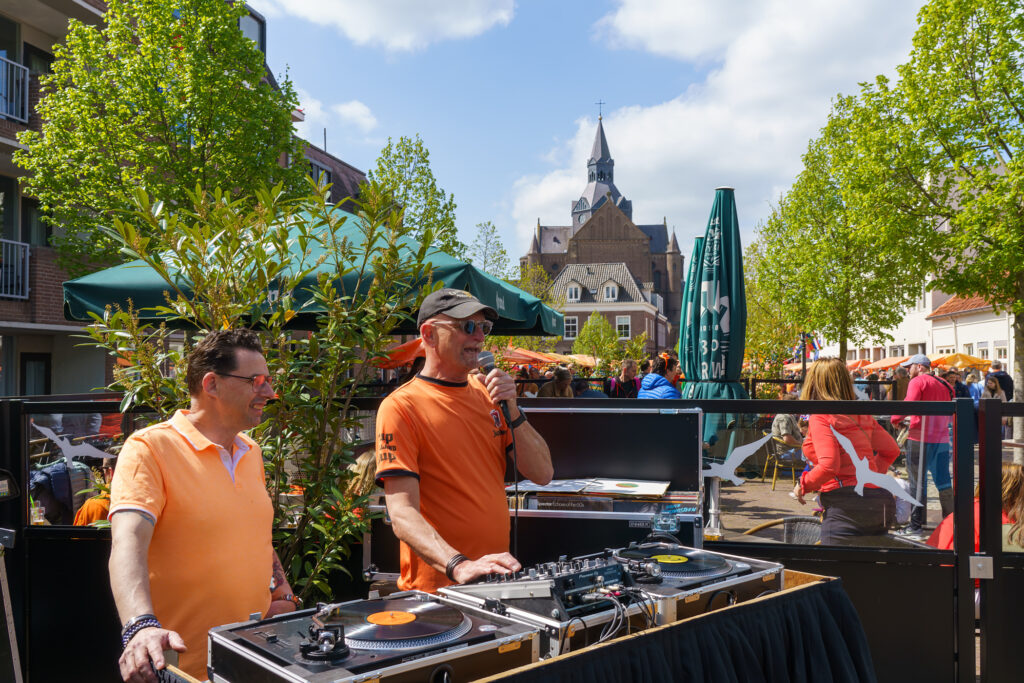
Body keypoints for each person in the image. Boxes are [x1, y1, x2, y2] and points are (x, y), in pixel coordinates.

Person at [109, 329, 298, 682]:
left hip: (253, 658)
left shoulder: (251, 452)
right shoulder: (149, 449)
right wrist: (140, 626)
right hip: (182, 669)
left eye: (269, 381)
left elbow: (255, 536)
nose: (270, 393)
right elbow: (127, 543)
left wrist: (279, 591)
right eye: (257, 381)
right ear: (211, 384)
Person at [375, 288, 553, 593]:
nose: (479, 338)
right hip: (437, 593)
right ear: (429, 335)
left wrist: (512, 407)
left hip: (493, 581)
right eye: (467, 327)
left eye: (483, 328)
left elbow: (543, 473)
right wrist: (459, 565)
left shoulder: (489, 394)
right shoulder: (401, 407)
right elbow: (402, 513)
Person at [793, 358, 900, 544]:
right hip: (878, 501)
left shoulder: (822, 416)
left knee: (838, 569)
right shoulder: (860, 414)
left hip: (846, 504)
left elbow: (829, 466)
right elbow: (891, 450)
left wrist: (803, 484)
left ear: (814, 382)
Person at [891, 353, 954, 540]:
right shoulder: (946, 384)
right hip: (942, 439)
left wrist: (895, 420)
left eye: (910, 366)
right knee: (944, 482)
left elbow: (908, 404)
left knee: (917, 484)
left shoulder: (918, 381)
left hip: (920, 438)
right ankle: (950, 523)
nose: (908, 370)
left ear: (919, 367)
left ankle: (915, 527)